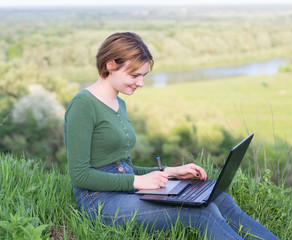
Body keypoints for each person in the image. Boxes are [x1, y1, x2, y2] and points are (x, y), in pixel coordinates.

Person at [63, 32, 279, 240]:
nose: (141, 83)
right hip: (98, 201)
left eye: (143, 76)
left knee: (219, 198)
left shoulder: (118, 103)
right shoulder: (83, 105)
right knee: (201, 214)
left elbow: (123, 166)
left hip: (126, 189)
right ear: (111, 65)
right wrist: (137, 181)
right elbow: (80, 176)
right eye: (134, 75)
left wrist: (170, 172)